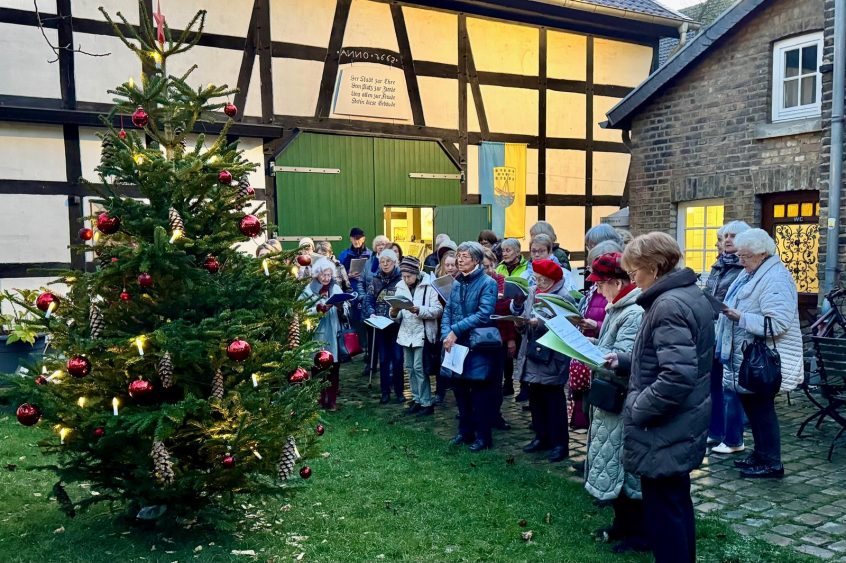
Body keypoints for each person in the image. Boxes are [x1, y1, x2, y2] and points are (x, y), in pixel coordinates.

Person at [605, 232, 715, 563]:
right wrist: (625, 361)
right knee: (675, 506)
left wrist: (638, 408)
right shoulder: (684, 295)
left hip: (665, 426)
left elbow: (677, 376)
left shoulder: (668, 304)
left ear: (654, 268)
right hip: (680, 422)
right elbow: (673, 357)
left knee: (666, 513)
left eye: (634, 271)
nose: (631, 278)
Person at [717, 228, 803, 478]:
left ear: (762, 253)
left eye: (745, 256)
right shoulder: (751, 273)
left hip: (764, 359)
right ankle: (760, 454)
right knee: (753, 408)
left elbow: (777, 323)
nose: (740, 261)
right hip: (747, 356)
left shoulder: (775, 278)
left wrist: (740, 317)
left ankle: (771, 461)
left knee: (762, 410)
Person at [583, 252, 647, 554]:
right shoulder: (617, 308)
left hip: (621, 399)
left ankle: (638, 533)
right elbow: (610, 348)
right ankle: (622, 523)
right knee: (614, 463)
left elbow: (623, 359)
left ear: (617, 282)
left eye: (601, 284)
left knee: (625, 469)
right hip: (611, 399)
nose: (597, 290)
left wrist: (588, 353)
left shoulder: (632, 312)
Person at [512, 259, 574, 462]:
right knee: (535, 397)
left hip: (552, 355)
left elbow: (567, 325)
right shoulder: (532, 291)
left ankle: (559, 444)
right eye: (536, 279)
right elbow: (526, 315)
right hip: (532, 351)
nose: (538, 283)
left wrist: (540, 323)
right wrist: (520, 320)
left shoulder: (563, 296)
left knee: (553, 400)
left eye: (543, 280)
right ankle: (541, 436)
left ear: (553, 280)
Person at [442, 241, 499, 452]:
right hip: (455, 344)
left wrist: (455, 330)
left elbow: (484, 314)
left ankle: (483, 436)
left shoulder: (488, 283)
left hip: (477, 345)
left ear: (476, 260)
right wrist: (445, 334)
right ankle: (465, 432)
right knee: (460, 390)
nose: (459, 260)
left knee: (479, 393)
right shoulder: (457, 282)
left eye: (464, 256)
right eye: (458, 256)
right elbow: (448, 309)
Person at [704, 221, 750, 453]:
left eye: (733, 236)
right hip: (713, 332)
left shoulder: (744, 268)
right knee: (713, 385)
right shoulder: (718, 265)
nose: (728, 240)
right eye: (725, 236)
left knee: (730, 386)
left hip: (732, 332)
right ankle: (715, 431)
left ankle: (733, 437)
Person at [569, 239, 624, 431]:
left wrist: (597, 327)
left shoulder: (625, 305)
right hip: (595, 349)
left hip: (607, 369)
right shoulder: (600, 291)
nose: (598, 288)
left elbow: (620, 344)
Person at [390, 256, 442, 416]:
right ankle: (416, 399)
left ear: (416, 273)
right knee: (410, 368)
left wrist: (419, 310)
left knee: (420, 368)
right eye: (403, 276)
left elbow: (438, 310)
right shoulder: (400, 286)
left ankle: (426, 402)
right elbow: (396, 315)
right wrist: (394, 312)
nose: (406, 279)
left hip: (423, 333)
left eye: (409, 276)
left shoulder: (429, 286)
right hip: (406, 333)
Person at [364, 248, 406, 404]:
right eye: (382, 261)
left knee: (397, 358)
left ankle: (399, 391)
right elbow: (368, 300)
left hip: (396, 325)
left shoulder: (401, 280)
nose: (385, 264)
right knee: (384, 359)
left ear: (395, 263)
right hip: (380, 326)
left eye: (389, 261)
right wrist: (371, 313)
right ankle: (385, 392)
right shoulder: (375, 280)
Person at [301, 258, 344, 410]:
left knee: (333, 367)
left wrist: (341, 305)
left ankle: (331, 401)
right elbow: (303, 310)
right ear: (317, 274)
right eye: (323, 275)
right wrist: (320, 308)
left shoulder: (335, 288)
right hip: (318, 332)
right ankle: (319, 400)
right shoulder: (308, 289)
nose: (326, 278)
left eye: (329, 275)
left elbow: (346, 307)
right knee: (318, 367)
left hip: (334, 330)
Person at [482, 249, 514, 430]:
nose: (487, 270)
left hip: (499, 336)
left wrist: (510, 340)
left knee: (496, 379)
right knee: (481, 377)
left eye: (489, 266)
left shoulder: (501, 281)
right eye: (483, 266)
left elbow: (506, 312)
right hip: (480, 336)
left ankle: (496, 415)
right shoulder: (475, 281)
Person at [338, 227, 373, 369]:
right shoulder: (345, 254)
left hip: (365, 290)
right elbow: (338, 272)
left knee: (367, 321)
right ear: (350, 239)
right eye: (354, 238)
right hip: (350, 289)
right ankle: (353, 348)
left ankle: (368, 351)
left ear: (364, 238)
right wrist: (348, 274)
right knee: (353, 320)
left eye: (359, 238)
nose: (357, 241)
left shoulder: (370, 254)